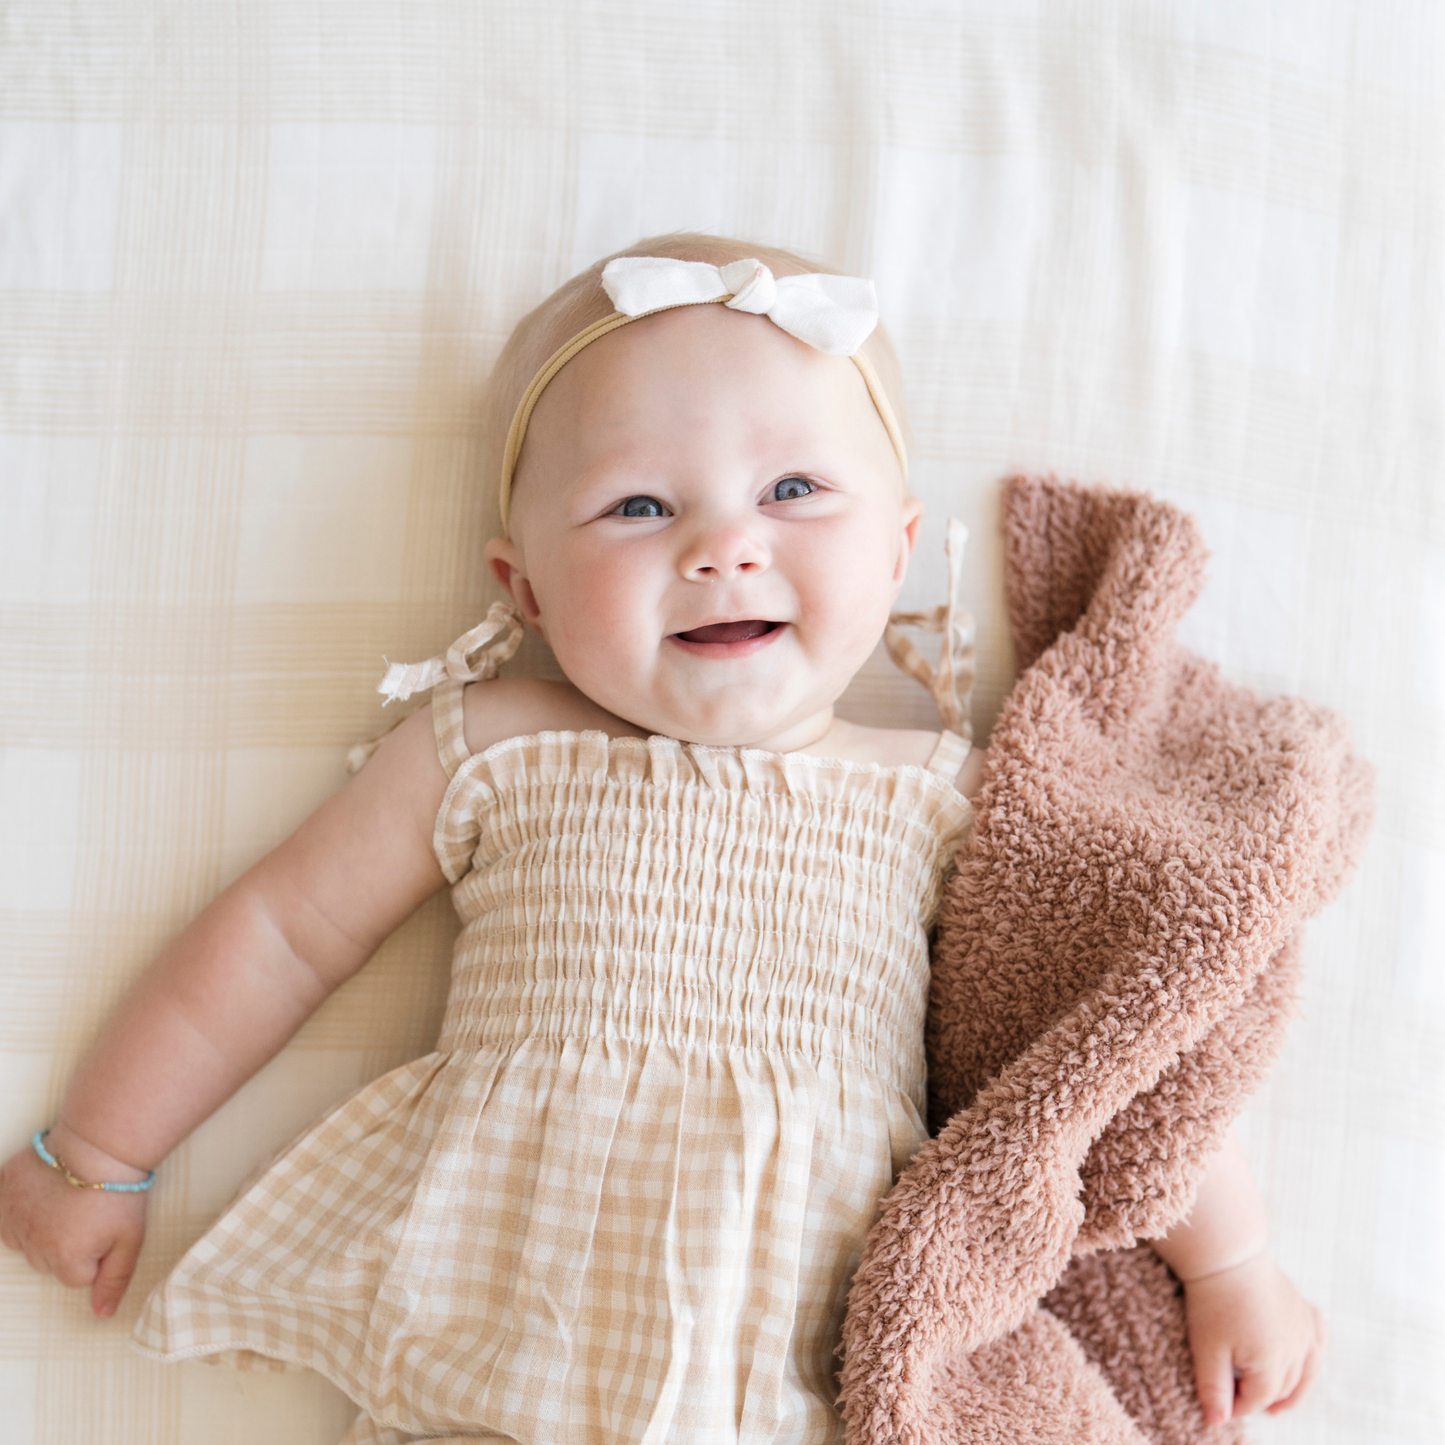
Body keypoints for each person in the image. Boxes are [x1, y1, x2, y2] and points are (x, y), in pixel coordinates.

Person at [0, 234, 1323, 1443]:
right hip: (497, 1356)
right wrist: (98, 1154)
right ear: (520, 584)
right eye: (639, 508)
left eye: (795, 489)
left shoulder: (946, 793)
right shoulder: (489, 746)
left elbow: (1092, 1050)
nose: (724, 547)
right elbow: (280, 938)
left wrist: (1232, 1263)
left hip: (808, 1369)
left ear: (903, 548)